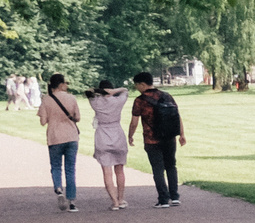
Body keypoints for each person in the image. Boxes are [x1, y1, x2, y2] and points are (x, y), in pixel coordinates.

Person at [130, 71, 185, 207]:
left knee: (158, 169)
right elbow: (177, 116)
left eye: (137, 85)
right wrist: (182, 134)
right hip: (169, 137)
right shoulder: (167, 96)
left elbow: (134, 121)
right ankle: (175, 196)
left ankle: (163, 199)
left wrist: (130, 135)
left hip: (151, 139)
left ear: (142, 84)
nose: (136, 88)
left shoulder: (140, 100)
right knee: (171, 166)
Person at [38, 73, 83, 212]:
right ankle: (72, 201)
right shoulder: (71, 98)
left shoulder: (46, 100)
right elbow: (78, 118)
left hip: (55, 137)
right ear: (61, 84)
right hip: (71, 136)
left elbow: (43, 121)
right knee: (70, 169)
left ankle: (59, 189)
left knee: (56, 166)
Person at [88, 78, 131, 211]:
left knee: (107, 172)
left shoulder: (95, 102)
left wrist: (100, 91)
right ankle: (121, 198)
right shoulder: (118, 101)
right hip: (117, 134)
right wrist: (115, 91)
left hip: (102, 135)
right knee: (119, 170)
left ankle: (114, 202)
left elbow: (88, 92)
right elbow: (126, 91)